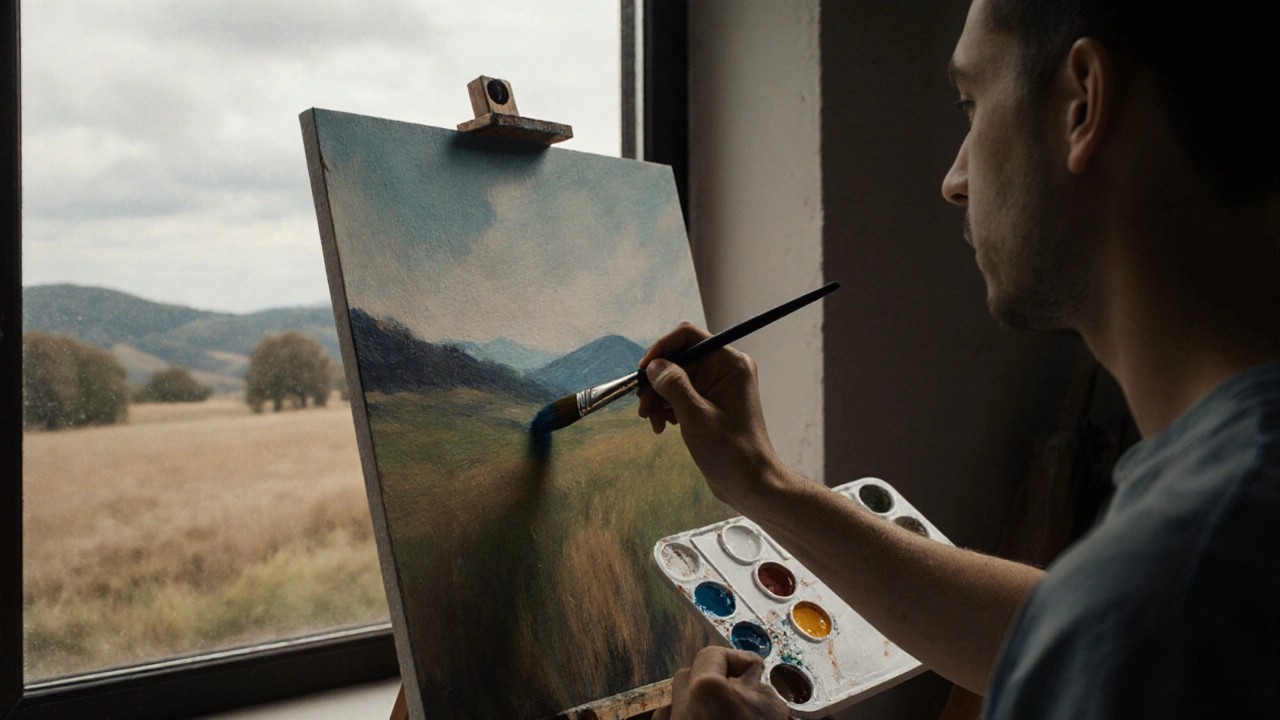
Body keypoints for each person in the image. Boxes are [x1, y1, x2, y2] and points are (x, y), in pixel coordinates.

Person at [640, 0, 1279, 718]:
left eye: (972, 104)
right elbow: (1048, 625)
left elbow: (1111, 629)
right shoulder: (1218, 534)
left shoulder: (1176, 587)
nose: (955, 179)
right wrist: (764, 486)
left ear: (1082, 104)